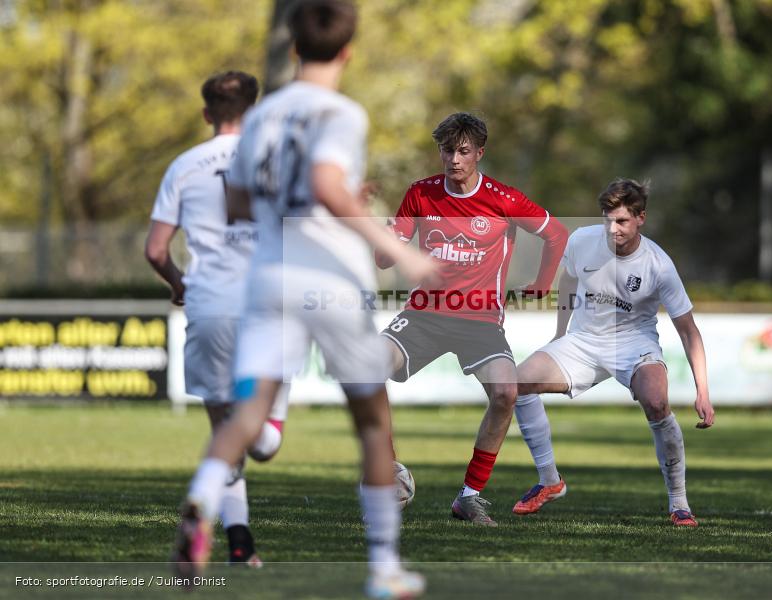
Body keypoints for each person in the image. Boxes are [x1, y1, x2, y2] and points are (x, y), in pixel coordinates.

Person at [171, 1, 435, 597]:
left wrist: (327, 197)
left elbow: (238, 204)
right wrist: (402, 248)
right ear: (347, 50)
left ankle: (203, 498)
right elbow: (322, 184)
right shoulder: (340, 112)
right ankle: (385, 567)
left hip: (267, 277)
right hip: (330, 278)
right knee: (371, 423)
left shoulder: (263, 116)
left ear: (293, 48)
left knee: (247, 413)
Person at [375, 112, 568, 526]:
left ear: (480, 153)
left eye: (464, 151)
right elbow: (383, 258)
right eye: (448, 150)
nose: (455, 159)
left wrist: (541, 283)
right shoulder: (420, 194)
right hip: (423, 315)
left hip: (480, 321)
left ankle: (469, 496)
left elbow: (556, 234)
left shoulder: (504, 198)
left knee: (505, 392)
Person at [145, 70, 289, 567]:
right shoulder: (276, 160)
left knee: (223, 431)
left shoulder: (183, 166)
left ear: (207, 114)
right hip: (266, 304)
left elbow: (156, 249)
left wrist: (180, 285)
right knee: (263, 441)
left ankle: (238, 543)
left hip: (208, 306)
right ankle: (241, 538)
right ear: (253, 112)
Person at [512, 178, 714, 526]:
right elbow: (570, 281)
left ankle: (679, 503)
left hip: (634, 343)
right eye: (607, 218)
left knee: (656, 402)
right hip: (584, 339)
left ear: (640, 219)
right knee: (515, 384)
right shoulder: (582, 240)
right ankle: (549, 481)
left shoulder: (658, 264)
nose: (612, 227)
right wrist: (560, 336)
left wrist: (703, 392)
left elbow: (688, 331)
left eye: (621, 220)